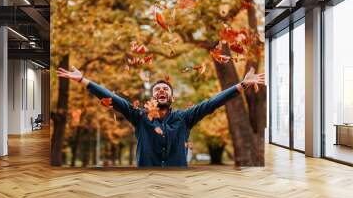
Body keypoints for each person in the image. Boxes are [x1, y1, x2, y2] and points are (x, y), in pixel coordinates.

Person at [57, 66, 265, 167]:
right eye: (157, 90)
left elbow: (212, 103)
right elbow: (113, 99)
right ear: (152, 98)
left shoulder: (185, 117)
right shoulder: (139, 116)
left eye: (165, 89)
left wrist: (242, 84)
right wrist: (84, 80)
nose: (161, 91)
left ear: (172, 98)